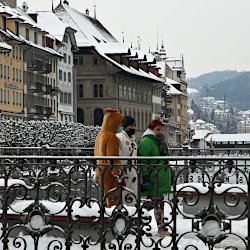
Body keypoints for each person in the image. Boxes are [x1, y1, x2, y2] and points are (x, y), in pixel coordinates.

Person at [137, 119, 172, 236]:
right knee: (153, 203)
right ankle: (140, 223)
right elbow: (142, 162)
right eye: (158, 129)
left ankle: (140, 223)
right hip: (153, 178)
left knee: (156, 203)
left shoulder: (158, 141)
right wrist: (145, 178)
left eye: (161, 129)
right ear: (151, 129)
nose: (160, 132)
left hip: (159, 177)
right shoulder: (147, 142)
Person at [94, 108, 125, 208]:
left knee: (106, 198)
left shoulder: (100, 135)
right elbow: (113, 159)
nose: (119, 127)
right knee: (113, 202)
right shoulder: (112, 138)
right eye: (119, 123)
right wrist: (120, 175)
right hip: (109, 175)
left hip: (100, 171)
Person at [116, 116, 137, 205]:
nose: (133, 128)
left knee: (132, 197)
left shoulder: (133, 140)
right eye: (131, 125)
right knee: (123, 198)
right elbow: (117, 157)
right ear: (125, 126)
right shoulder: (119, 138)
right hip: (123, 173)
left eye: (134, 125)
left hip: (133, 173)